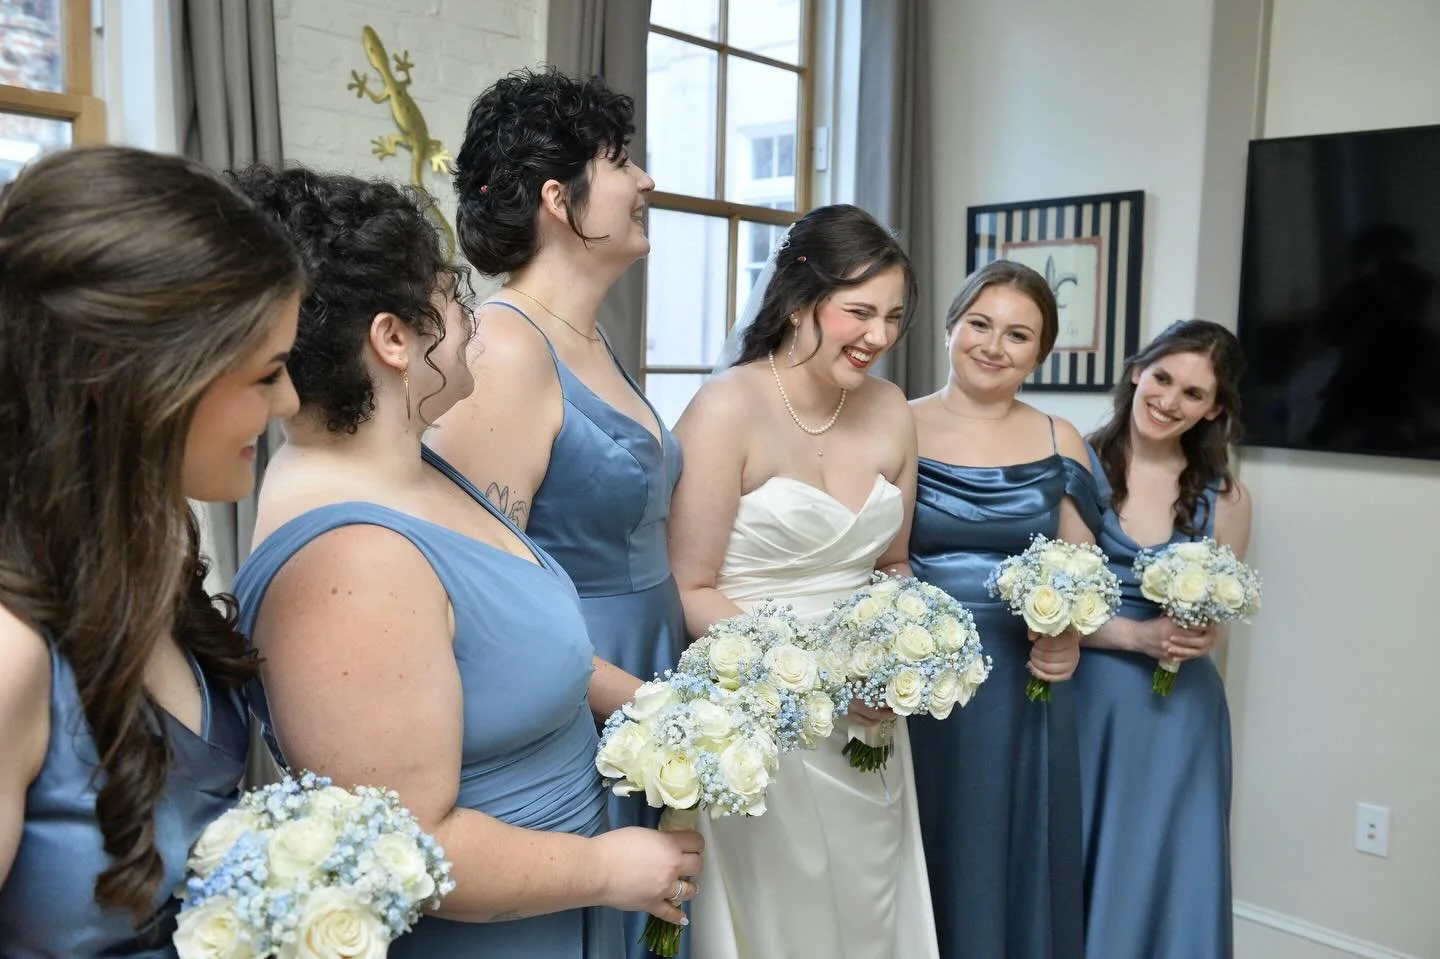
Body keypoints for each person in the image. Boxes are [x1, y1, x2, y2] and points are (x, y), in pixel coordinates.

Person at [226, 166, 701, 958]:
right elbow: (408, 842)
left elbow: (513, 649)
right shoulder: (351, 560)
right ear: (392, 337)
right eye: (453, 294)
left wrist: (666, 711)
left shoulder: (412, 464)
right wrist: (606, 865)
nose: (472, 315)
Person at [0, 145, 304, 954]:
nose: (291, 402)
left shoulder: (151, 563)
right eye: (268, 374)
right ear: (155, 382)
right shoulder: (11, 654)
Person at [433, 67, 685, 955]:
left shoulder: (594, 338)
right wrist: (647, 702)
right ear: (559, 198)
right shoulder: (504, 348)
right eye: (622, 161)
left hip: (647, 667)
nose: (646, 181)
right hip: (581, 687)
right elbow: (479, 593)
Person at [668, 203, 939, 959]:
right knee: (784, 919)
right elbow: (690, 585)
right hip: (761, 712)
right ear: (797, 298)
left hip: (872, 719)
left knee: (868, 904)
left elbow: (892, 564)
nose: (880, 337)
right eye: (859, 311)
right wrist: (814, 682)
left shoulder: (890, 410)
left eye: (892, 315)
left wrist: (896, 663)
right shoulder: (727, 408)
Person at [904, 259, 1100, 959]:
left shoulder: (1059, 438)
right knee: (927, 838)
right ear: (951, 326)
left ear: (1041, 352)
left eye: (1018, 334)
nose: (993, 345)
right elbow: (872, 556)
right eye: (980, 324)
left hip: (1026, 679)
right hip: (916, 677)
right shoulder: (896, 422)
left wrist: (1070, 635)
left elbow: (1084, 571)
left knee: (1010, 846)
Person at [1074, 319, 1250, 959]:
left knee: (1165, 864)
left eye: (1194, 394)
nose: (1170, 401)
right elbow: (1041, 603)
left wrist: (1200, 637)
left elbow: (1218, 614)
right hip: (1085, 700)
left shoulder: (1225, 499)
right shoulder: (1074, 465)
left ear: (1216, 410)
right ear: (1135, 372)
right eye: (1163, 378)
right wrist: (1135, 637)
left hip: (1179, 715)